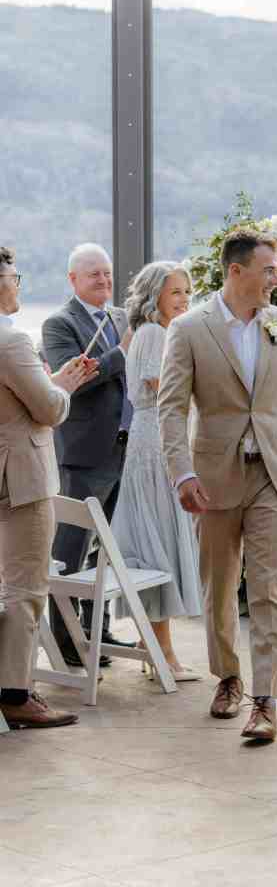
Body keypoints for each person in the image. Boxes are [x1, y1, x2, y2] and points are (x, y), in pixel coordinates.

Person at [158, 228, 277, 742]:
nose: (276, 280)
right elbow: (170, 409)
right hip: (212, 478)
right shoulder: (190, 329)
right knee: (218, 586)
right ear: (235, 272)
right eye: (268, 270)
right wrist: (183, 472)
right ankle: (229, 677)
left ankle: (266, 700)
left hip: (273, 473)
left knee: (267, 584)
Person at [0, 246, 98, 728]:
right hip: (20, 479)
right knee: (25, 588)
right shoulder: (12, 343)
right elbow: (50, 410)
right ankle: (17, 693)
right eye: (14, 276)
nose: (18, 284)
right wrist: (64, 387)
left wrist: (53, 381)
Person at [42, 243, 135, 666]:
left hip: (124, 450)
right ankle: (67, 641)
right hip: (82, 456)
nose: (104, 281)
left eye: (108, 273)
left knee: (108, 551)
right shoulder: (58, 324)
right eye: (94, 274)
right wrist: (123, 352)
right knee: (71, 550)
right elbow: (73, 382)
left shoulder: (120, 318)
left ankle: (99, 633)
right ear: (73, 280)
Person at [112, 261, 203, 680]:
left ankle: (161, 653)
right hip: (155, 451)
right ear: (155, 298)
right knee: (158, 545)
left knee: (160, 543)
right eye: (176, 292)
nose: (184, 299)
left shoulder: (161, 333)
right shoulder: (152, 333)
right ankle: (163, 656)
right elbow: (161, 390)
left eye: (187, 291)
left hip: (160, 447)